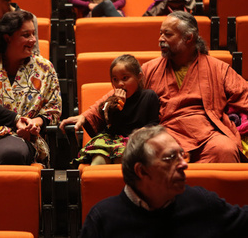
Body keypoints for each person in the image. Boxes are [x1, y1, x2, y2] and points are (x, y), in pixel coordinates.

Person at [60, 11, 248, 163]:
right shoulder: (150, 68)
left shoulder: (217, 68)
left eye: (168, 34)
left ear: (189, 38)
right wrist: (86, 116)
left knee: (227, 149)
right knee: (152, 154)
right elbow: (117, 94)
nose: (160, 39)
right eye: (160, 33)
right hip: (165, 133)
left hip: (207, 134)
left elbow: (244, 94)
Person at [81, 125, 248, 237]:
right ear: (142, 170)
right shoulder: (103, 219)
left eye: (182, 155)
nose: (184, 164)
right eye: (170, 158)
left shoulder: (201, 202)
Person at [0, 10, 62, 165]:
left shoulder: (45, 68)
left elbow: (53, 110)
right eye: (26, 35)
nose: (33, 40)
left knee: (10, 152)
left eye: (33, 34)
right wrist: (16, 120)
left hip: (26, 138)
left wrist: (34, 123)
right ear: (7, 38)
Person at [71, 54, 159, 166]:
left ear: (139, 76)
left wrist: (143, 131)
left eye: (125, 78)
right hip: (111, 140)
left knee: (122, 160)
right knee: (98, 161)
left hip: (135, 140)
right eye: (115, 79)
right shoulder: (112, 98)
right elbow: (109, 124)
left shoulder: (149, 96)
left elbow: (154, 122)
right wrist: (116, 104)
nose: (120, 84)